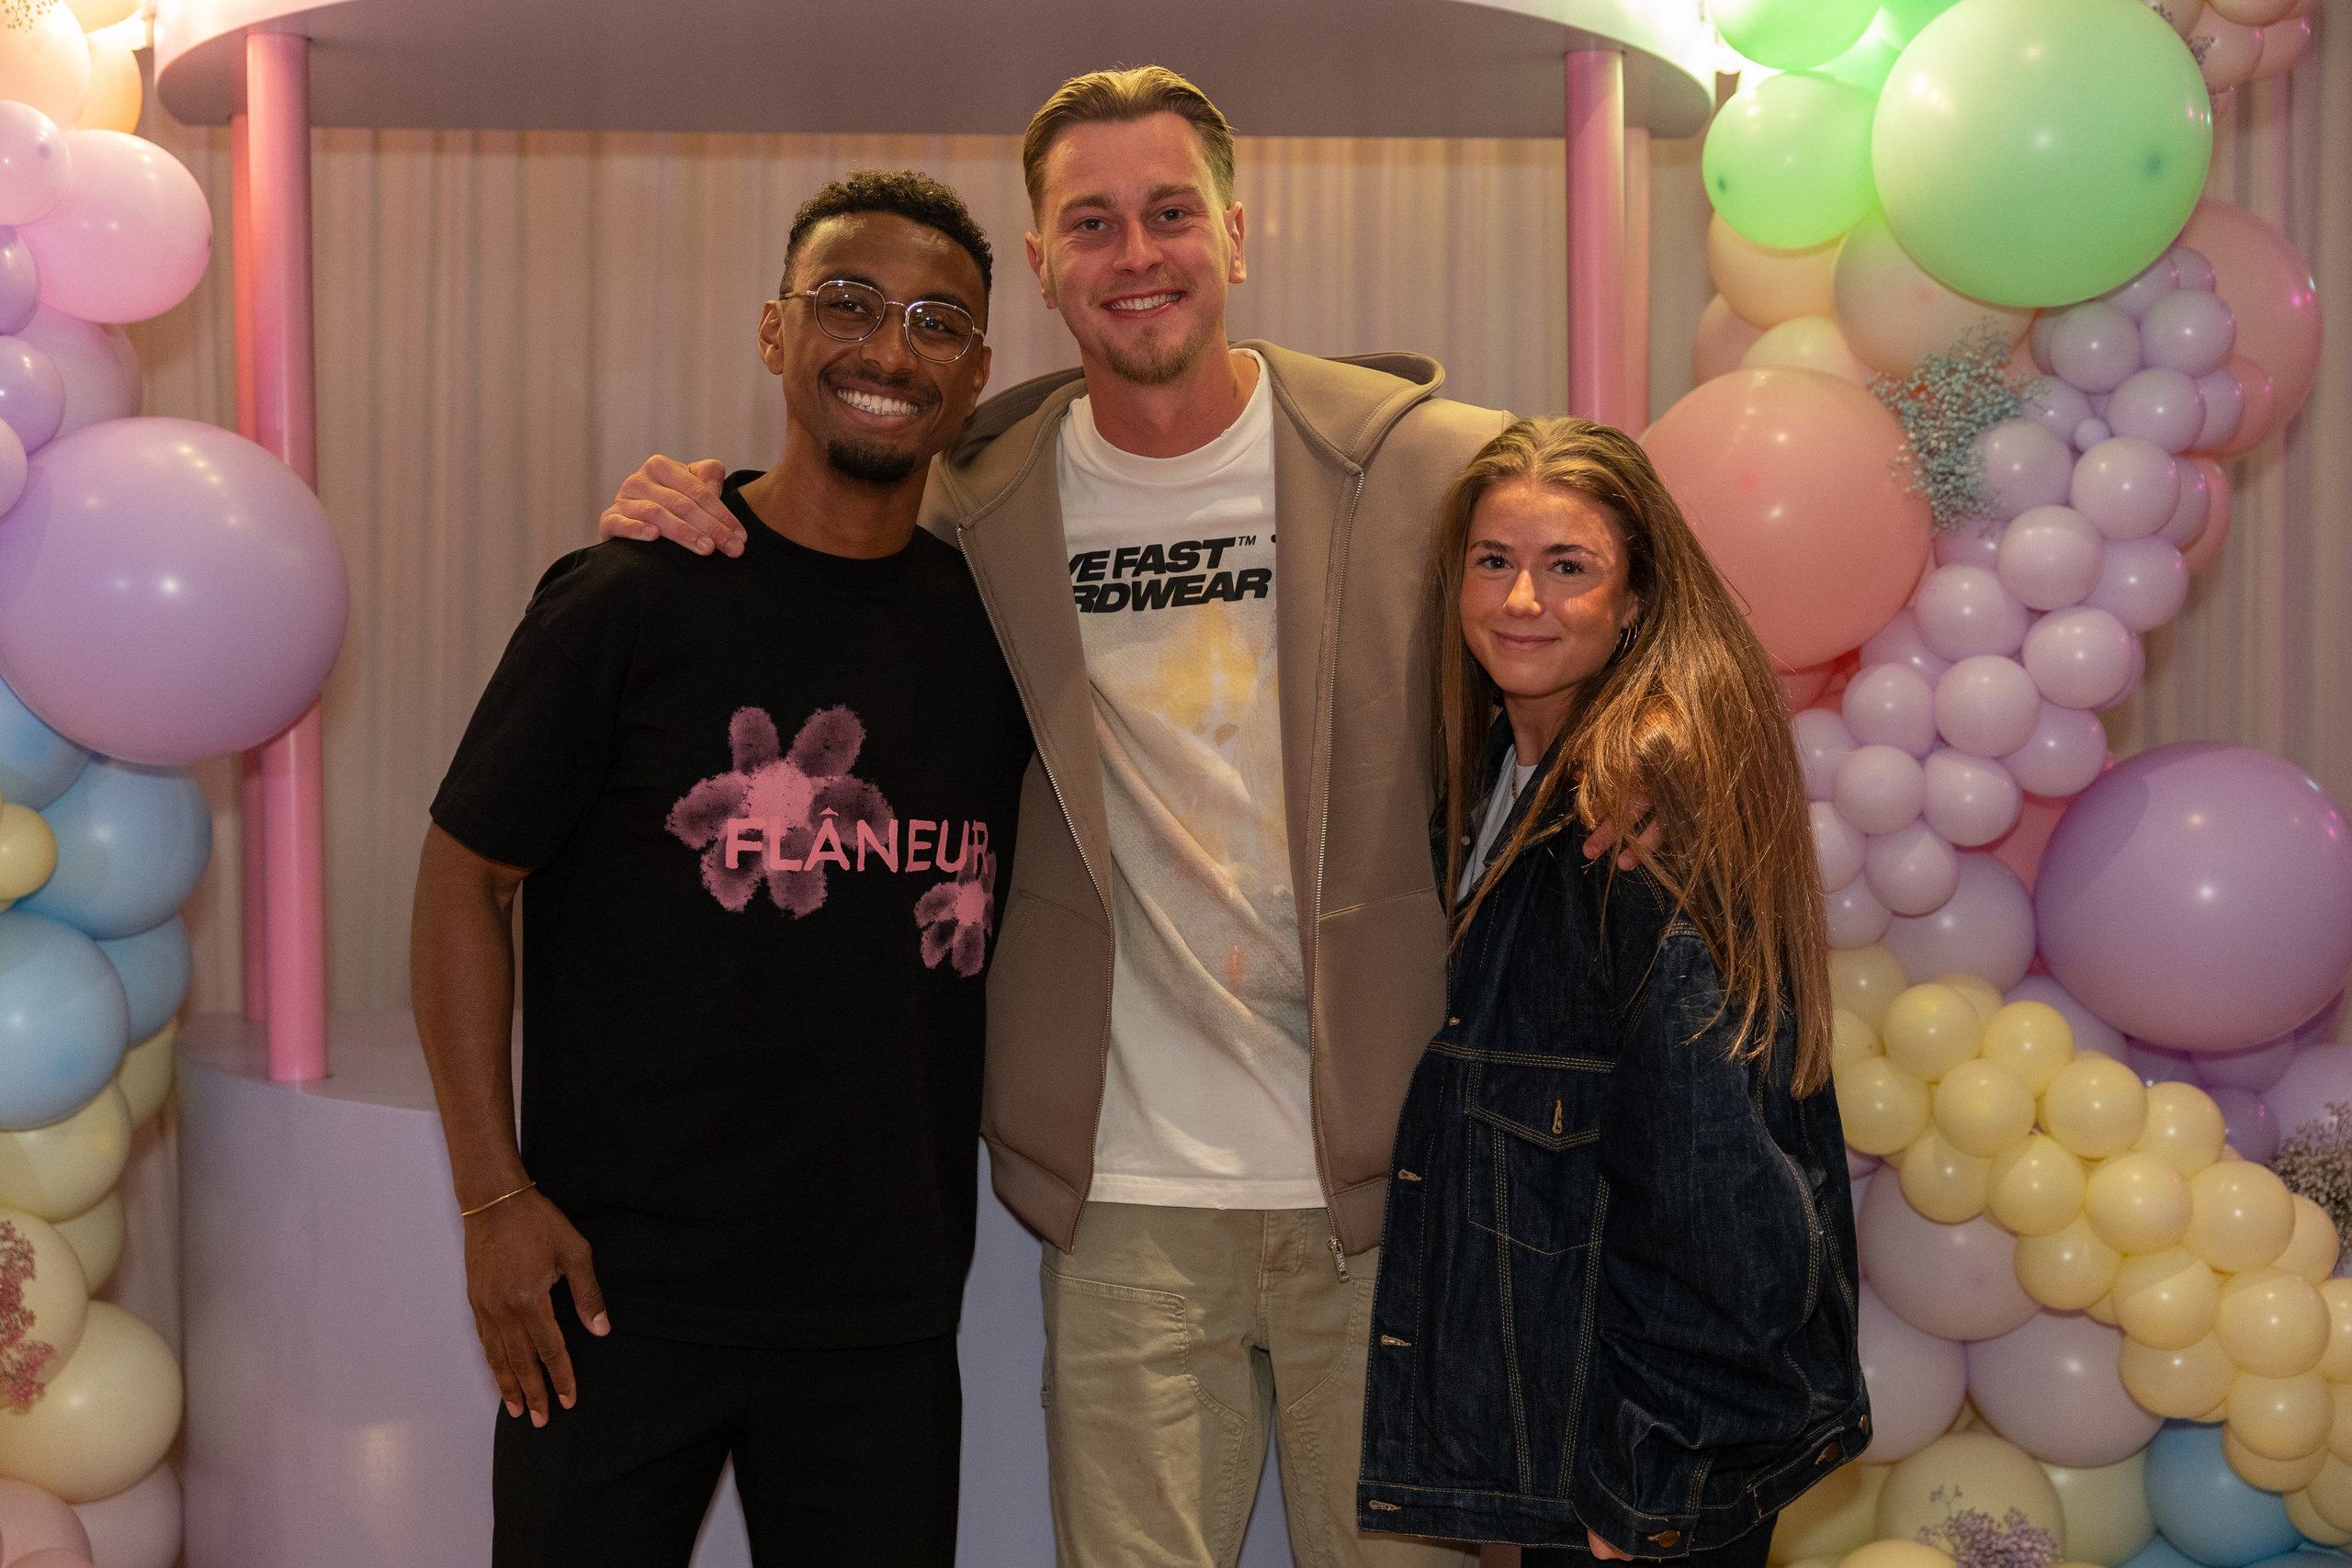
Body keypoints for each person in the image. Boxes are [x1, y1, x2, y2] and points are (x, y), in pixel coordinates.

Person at [594, 63, 1667, 1568]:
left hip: (1395, 1183)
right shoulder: (979, 497)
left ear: (1238, 233)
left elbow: (1618, 600)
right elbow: (819, 531)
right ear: (1040, 266)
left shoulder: (1425, 465)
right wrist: (687, 493)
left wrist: (1625, 760)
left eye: (1170, 212)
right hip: (1129, 1199)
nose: (1135, 253)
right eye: (1089, 223)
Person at [411, 170, 1032, 1567]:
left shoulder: (999, 640)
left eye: (938, 321)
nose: (888, 349)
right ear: (772, 332)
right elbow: (462, 875)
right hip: (614, 1296)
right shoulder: (631, 596)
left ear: (980, 371)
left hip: (880, 1313)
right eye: (847, 304)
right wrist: (493, 1198)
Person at [1354, 417, 1866, 1565]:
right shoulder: (1492, 774)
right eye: (1494, 560)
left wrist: (1651, 1478)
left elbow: (1719, 1177)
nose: (1520, 599)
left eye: (1567, 566)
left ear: (1634, 599)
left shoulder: (1634, 815)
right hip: (1561, 1430)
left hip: (1645, 1471)